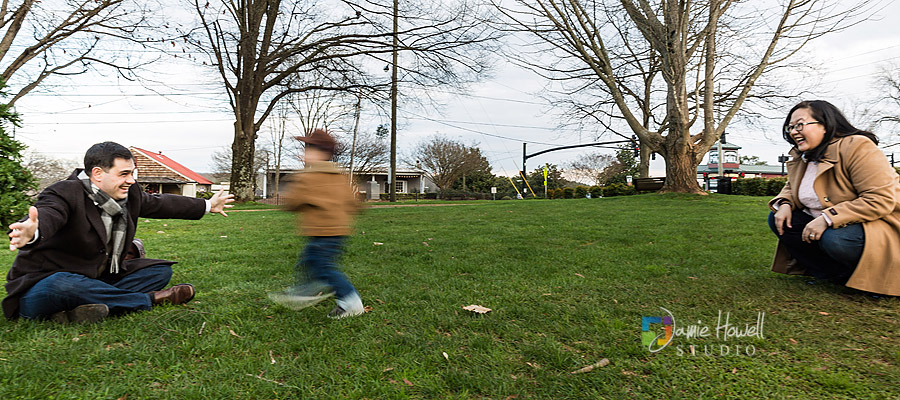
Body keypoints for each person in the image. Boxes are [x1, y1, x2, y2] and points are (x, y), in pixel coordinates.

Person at [4, 141, 235, 323]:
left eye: (132, 173)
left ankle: (83, 308)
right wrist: (33, 231)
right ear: (97, 174)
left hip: (95, 277)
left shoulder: (129, 195)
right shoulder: (64, 193)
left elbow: (160, 203)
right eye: (124, 174)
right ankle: (146, 301)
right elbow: (49, 212)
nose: (131, 181)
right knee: (64, 284)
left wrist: (207, 206)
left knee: (159, 273)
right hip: (41, 288)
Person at [768, 100, 900, 296]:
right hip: (837, 221)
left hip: (880, 223)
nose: (794, 132)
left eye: (800, 124)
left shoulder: (857, 146)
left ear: (826, 124)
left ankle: (879, 280)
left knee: (836, 238)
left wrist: (828, 218)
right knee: (779, 219)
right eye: (790, 127)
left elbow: (879, 199)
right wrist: (785, 203)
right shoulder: (804, 155)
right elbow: (792, 187)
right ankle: (836, 275)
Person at [267, 129, 364, 319]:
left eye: (308, 150)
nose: (304, 155)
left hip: (322, 232)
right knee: (310, 261)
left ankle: (351, 302)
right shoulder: (340, 176)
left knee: (324, 267)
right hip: (338, 232)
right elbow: (353, 202)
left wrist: (291, 196)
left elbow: (293, 202)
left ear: (320, 153)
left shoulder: (308, 177)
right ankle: (308, 289)